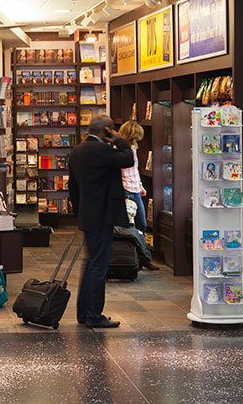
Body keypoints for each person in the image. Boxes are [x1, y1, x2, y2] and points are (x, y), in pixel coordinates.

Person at [68, 114, 134, 328]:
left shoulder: (77, 151)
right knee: (98, 267)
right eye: (112, 129)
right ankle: (94, 315)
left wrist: (79, 211)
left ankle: (84, 313)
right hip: (102, 214)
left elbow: (72, 187)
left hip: (88, 213)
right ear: (106, 130)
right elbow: (128, 159)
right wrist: (118, 139)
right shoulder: (102, 150)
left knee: (90, 265)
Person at [118, 121, 159, 271]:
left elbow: (134, 171)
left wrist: (140, 186)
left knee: (141, 224)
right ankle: (137, 258)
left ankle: (141, 258)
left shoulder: (133, 149)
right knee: (134, 225)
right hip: (126, 190)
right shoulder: (122, 150)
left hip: (134, 188)